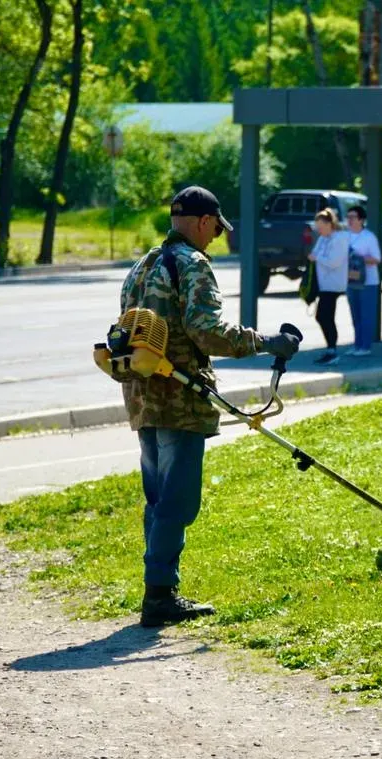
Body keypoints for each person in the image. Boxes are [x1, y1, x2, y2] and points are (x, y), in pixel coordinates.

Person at [117, 185, 299, 627]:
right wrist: (269, 342)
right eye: (216, 227)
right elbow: (209, 333)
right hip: (180, 399)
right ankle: (159, 596)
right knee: (176, 501)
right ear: (202, 221)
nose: (217, 236)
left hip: (142, 394)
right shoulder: (191, 263)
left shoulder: (142, 265)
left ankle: (160, 586)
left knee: (159, 497)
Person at [307, 207, 349, 365]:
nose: (319, 230)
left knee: (325, 316)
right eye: (317, 228)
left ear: (330, 224)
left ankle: (332, 351)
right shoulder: (323, 238)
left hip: (334, 285)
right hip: (323, 284)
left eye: (321, 227)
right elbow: (315, 254)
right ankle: (330, 349)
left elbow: (334, 262)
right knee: (323, 316)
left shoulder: (340, 239)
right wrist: (316, 257)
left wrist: (317, 258)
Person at [345, 204, 381, 356]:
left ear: (361, 220)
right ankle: (357, 344)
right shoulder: (345, 236)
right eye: (348, 217)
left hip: (368, 283)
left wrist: (358, 258)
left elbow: (376, 259)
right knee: (355, 315)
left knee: (366, 315)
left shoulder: (369, 237)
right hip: (350, 281)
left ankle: (365, 346)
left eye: (353, 217)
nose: (350, 220)